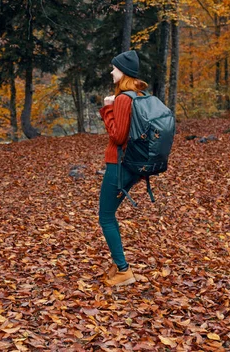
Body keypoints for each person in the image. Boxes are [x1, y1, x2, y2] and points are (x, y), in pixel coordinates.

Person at [98, 50, 149, 287]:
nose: (111, 72)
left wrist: (108, 108)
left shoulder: (122, 99)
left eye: (114, 68)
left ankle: (123, 270)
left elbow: (118, 136)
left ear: (124, 72)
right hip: (133, 165)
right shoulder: (138, 95)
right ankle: (120, 265)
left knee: (106, 216)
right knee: (110, 214)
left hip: (118, 164)